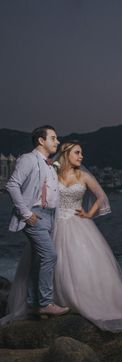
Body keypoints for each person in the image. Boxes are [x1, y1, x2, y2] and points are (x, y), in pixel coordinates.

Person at [2, 141, 122, 332]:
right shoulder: (52, 173)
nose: (81, 156)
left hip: (79, 224)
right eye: (77, 152)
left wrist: (89, 213)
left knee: (81, 261)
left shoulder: (83, 175)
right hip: (53, 223)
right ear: (66, 153)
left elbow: (101, 197)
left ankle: (79, 300)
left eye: (82, 153)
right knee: (47, 260)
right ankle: (46, 302)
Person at [4, 125, 69, 317]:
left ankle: (34, 303)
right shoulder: (28, 159)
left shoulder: (48, 163)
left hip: (49, 215)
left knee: (38, 259)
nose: (57, 141)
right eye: (53, 138)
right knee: (50, 255)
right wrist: (26, 213)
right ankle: (46, 303)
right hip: (35, 214)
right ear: (41, 141)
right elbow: (12, 184)